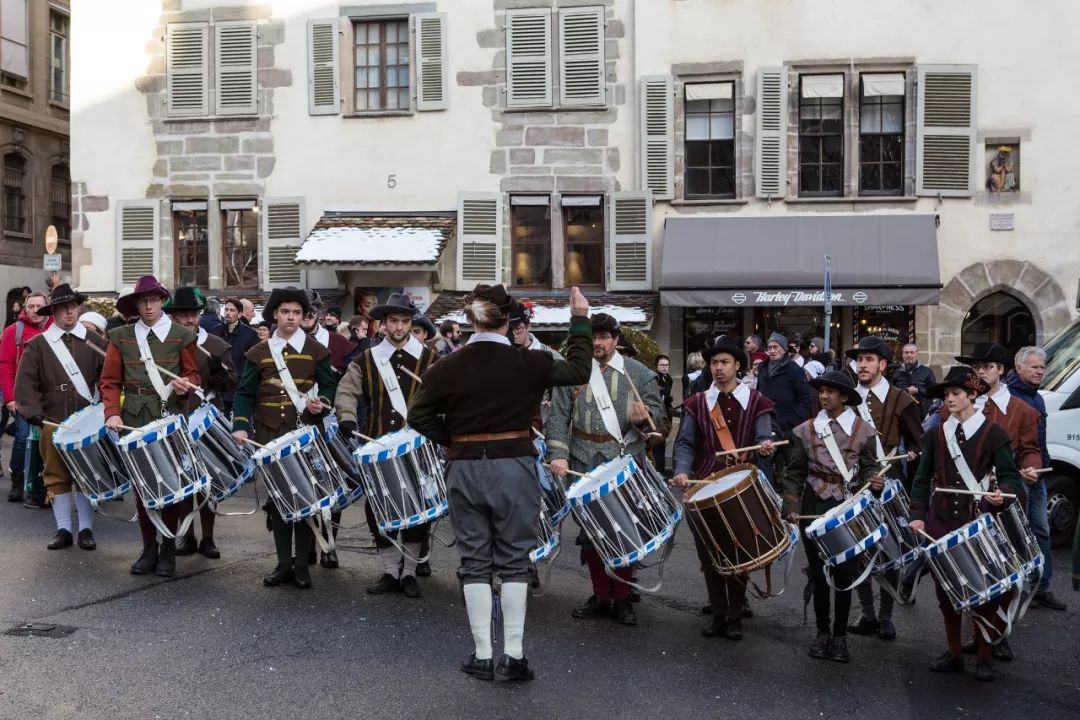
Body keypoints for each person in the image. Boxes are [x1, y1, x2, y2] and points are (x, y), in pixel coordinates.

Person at [409, 284, 593, 682]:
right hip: (515, 466)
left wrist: (457, 440)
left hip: (466, 468)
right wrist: (579, 320)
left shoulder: (444, 367)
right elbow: (580, 369)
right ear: (509, 321)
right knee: (513, 560)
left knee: (474, 560)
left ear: (469, 320)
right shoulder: (532, 361)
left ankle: (481, 655)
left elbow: (417, 418)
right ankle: (514, 655)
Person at [547, 312, 665, 627]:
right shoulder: (571, 372)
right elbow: (558, 417)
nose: (597, 343)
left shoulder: (638, 374)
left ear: (615, 340)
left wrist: (645, 419)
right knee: (592, 532)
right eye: (592, 338)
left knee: (626, 529)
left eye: (603, 337)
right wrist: (558, 454)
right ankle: (601, 595)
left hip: (625, 458)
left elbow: (659, 420)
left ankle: (624, 599)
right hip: (584, 459)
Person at [908, 367, 1023, 682]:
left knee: (984, 587)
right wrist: (917, 514)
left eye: (956, 393)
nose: (950, 399)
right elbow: (921, 479)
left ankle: (985, 655)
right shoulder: (935, 434)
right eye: (946, 395)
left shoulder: (994, 434)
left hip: (978, 519)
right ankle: (954, 652)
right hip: (941, 519)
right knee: (946, 589)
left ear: (973, 395)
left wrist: (1004, 494)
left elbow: (1011, 478)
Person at [231, 287, 337, 590]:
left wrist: (323, 403)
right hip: (268, 432)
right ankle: (282, 563)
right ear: (275, 315)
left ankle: (302, 565)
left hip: (304, 432)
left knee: (305, 498)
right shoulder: (259, 352)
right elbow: (244, 393)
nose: (291, 318)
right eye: (285, 312)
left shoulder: (316, 350)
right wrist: (241, 425)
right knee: (277, 498)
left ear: (303, 317)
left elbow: (330, 387)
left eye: (296, 313)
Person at [334, 293, 438, 598]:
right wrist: (348, 417)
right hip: (378, 443)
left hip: (418, 444)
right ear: (383, 324)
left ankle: (409, 572)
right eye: (394, 321)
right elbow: (347, 392)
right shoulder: (367, 359)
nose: (399, 327)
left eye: (405, 321)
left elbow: (447, 395)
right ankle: (390, 570)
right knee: (378, 505)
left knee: (418, 506)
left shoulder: (430, 359)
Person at [673, 338, 776, 640]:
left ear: (738, 366)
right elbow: (685, 443)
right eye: (714, 363)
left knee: (738, 551)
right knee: (709, 554)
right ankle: (718, 613)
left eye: (724, 363)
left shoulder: (757, 400)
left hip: (740, 483)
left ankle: (734, 616)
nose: (718, 368)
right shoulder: (697, 403)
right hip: (705, 484)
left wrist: (766, 444)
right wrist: (681, 470)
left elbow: (763, 435)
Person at [100, 276, 201, 577]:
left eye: (153, 300)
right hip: (132, 417)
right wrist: (112, 413)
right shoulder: (120, 336)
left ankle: (168, 548)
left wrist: (187, 386)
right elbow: (109, 381)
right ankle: (148, 548)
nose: (148, 305)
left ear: (161, 301)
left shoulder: (181, 335)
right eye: (143, 301)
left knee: (169, 484)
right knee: (143, 487)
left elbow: (193, 375)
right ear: (136, 305)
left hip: (168, 415)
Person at [778, 370, 879, 661]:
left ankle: (840, 638)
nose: (823, 396)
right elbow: (794, 472)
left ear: (844, 397)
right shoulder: (806, 429)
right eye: (821, 391)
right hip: (813, 506)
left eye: (830, 392)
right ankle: (822, 635)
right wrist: (792, 507)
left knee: (844, 575)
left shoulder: (862, 429)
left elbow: (870, 466)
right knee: (820, 574)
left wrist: (874, 479)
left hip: (847, 506)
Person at [963, 343, 1066, 612]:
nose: (981, 373)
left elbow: (1031, 446)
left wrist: (1033, 466)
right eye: (976, 368)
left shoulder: (1026, 406)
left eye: (986, 367)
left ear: (1000, 370)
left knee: (1026, 534)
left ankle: (1032, 589)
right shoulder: (966, 402)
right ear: (1017, 369)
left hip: (1016, 482)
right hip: (973, 486)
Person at [14, 284, 107, 550]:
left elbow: (110, 377)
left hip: (87, 420)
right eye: (63, 307)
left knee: (88, 475)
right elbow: (25, 382)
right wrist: (32, 412)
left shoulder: (95, 341)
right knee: (56, 475)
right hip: (51, 419)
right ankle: (64, 529)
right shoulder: (38, 345)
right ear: (53, 311)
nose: (69, 311)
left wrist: (106, 409)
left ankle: (86, 530)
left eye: (73, 306)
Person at [846, 336, 922, 640]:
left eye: (868, 360)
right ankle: (867, 614)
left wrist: (914, 459)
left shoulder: (901, 398)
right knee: (860, 551)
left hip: (888, 482)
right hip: (855, 482)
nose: (862, 365)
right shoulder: (847, 397)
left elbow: (918, 443)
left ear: (883, 364)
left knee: (889, 553)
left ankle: (887, 617)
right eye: (859, 360)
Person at [164, 287, 236, 560]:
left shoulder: (216, 345)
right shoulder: (167, 345)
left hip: (208, 419)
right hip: (178, 417)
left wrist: (219, 373)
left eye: (193, 315)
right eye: (184, 315)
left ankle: (208, 538)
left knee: (210, 480)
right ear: (173, 318)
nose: (190, 320)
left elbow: (232, 385)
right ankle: (186, 536)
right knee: (183, 479)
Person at [1, 291, 52, 506]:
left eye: (39, 306)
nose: (34, 311)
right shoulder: (14, 331)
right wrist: (10, 399)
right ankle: (17, 481)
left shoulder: (54, 329)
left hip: (50, 397)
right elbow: (5, 366)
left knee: (49, 441)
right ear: (25, 307)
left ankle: (47, 486)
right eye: (30, 306)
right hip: (23, 397)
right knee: (22, 437)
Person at [216, 298, 259, 414]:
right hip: (219, 389)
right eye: (226, 310)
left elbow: (255, 364)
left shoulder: (250, 334)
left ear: (240, 314)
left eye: (232, 310)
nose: (228, 313)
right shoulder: (215, 332)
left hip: (239, 388)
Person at [302, 291, 356, 377]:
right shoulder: (285, 343)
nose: (307, 314)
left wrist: (337, 376)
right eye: (300, 311)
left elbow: (354, 378)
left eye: (312, 310)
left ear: (318, 311)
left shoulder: (339, 342)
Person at [892, 343, 936, 419]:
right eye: (906, 352)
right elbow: (891, 391)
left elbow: (934, 392)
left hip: (921, 414)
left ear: (916, 354)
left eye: (912, 352)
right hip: (901, 413)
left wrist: (918, 390)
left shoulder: (927, 371)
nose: (909, 355)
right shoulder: (897, 372)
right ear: (903, 354)